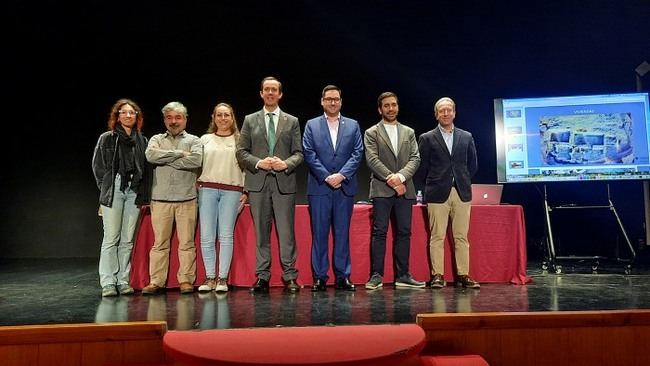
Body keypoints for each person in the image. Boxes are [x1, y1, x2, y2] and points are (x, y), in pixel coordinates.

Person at [236, 76, 304, 293]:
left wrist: (285, 163)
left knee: (286, 233)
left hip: (284, 184)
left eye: (274, 90)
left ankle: (290, 276)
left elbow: (299, 153)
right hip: (258, 184)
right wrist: (258, 163)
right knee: (262, 233)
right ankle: (262, 277)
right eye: (267, 89)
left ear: (280, 94)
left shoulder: (291, 121)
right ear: (261, 93)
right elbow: (241, 151)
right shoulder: (250, 119)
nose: (270, 93)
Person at [303, 85, 363, 292]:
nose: (332, 102)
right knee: (319, 234)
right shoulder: (312, 125)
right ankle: (320, 276)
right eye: (328, 99)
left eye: (336, 99)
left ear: (341, 101)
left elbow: (357, 152)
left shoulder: (353, 125)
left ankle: (342, 276)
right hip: (320, 187)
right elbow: (309, 153)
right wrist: (327, 176)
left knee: (342, 234)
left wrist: (341, 175)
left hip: (344, 188)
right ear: (322, 101)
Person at [415, 97, 480, 289]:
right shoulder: (427, 138)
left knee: (461, 236)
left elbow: (473, 165)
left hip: (461, 192)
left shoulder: (466, 136)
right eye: (441, 111)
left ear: (454, 112)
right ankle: (437, 275)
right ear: (436, 114)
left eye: (449, 110)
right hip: (436, 194)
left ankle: (463, 275)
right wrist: (431, 185)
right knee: (437, 236)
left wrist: (462, 179)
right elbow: (422, 168)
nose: (445, 114)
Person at [364, 92, 425, 290]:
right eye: (387, 105)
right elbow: (372, 159)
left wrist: (400, 178)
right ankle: (376, 275)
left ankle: (403, 275)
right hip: (382, 189)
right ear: (380, 109)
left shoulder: (408, 132)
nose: (391, 108)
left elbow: (415, 158)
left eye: (394, 105)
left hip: (404, 190)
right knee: (380, 232)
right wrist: (391, 178)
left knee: (404, 233)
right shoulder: (372, 132)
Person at [92, 98, 151, 297]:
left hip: (134, 189)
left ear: (137, 117)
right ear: (117, 116)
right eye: (124, 112)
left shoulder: (142, 140)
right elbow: (98, 167)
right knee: (111, 237)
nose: (128, 115)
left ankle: (123, 280)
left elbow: (145, 169)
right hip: (115, 187)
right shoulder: (107, 138)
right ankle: (108, 282)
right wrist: (106, 189)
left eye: (132, 113)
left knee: (127, 239)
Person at [142, 102, 203, 295]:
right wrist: (178, 154)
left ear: (185, 119)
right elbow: (151, 156)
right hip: (160, 199)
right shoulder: (156, 139)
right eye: (169, 118)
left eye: (177, 117)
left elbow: (196, 160)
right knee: (160, 244)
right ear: (164, 120)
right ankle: (156, 281)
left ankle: (186, 280)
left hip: (187, 199)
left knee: (187, 243)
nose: (173, 121)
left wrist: (167, 159)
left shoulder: (194, 140)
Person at [197, 103, 247, 293]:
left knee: (226, 235)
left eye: (227, 115)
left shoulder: (240, 140)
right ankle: (210, 277)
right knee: (207, 236)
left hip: (232, 190)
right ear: (213, 117)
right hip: (207, 189)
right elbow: (196, 165)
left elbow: (247, 168)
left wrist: (246, 191)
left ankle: (222, 279)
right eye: (219, 115)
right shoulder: (205, 139)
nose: (223, 118)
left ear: (232, 118)